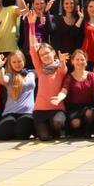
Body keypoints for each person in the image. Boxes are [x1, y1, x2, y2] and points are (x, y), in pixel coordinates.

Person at [28, 11, 69, 140]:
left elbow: (64, 69)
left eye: (47, 53)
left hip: (57, 109)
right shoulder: (40, 68)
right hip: (40, 109)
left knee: (58, 123)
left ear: (53, 53)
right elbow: (33, 48)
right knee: (44, 137)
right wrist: (31, 24)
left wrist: (62, 61)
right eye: (42, 55)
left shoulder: (59, 68)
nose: (45, 56)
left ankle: (57, 129)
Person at [52, 50, 94, 138]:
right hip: (74, 108)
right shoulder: (69, 77)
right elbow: (64, 90)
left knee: (89, 113)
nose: (80, 62)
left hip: (89, 106)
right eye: (77, 59)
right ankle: (76, 131)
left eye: (82, 59)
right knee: (76, 123)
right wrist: (59, 98)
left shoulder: (92, 75)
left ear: (86, 61)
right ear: (72, 61)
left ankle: (89, 131)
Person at [0, 50, 35, 140]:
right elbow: (1, 80)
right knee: (3, 135)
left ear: (24, 61)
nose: (17, 64)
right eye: (14, 62)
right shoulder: (9, 75)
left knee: (21, 134)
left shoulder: (32, 73)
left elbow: (46, 69)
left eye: (19, 61)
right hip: (10, 112)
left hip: (27, 112)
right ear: (10, 63)